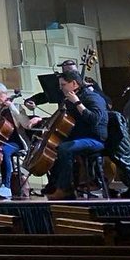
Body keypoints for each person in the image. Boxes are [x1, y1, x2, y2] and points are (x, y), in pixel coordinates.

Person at [46, 71, 109, 200]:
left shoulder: (92, 97)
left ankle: (65, 189)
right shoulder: (69, 100)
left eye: (63, 84)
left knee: (65, 148)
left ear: (74, 84)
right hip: (79, 137)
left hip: (95, 139)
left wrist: (77, 103)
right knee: (54, 147)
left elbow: (94, 119)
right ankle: (54, 186)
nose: (60, 88)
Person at [0, 83, 36, 200]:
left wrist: (11, 106)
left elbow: (26, 124)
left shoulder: (17, 107)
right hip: (2, 141)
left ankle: (6, 186)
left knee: (3, 152)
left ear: (6, 94)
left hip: (17, 142)